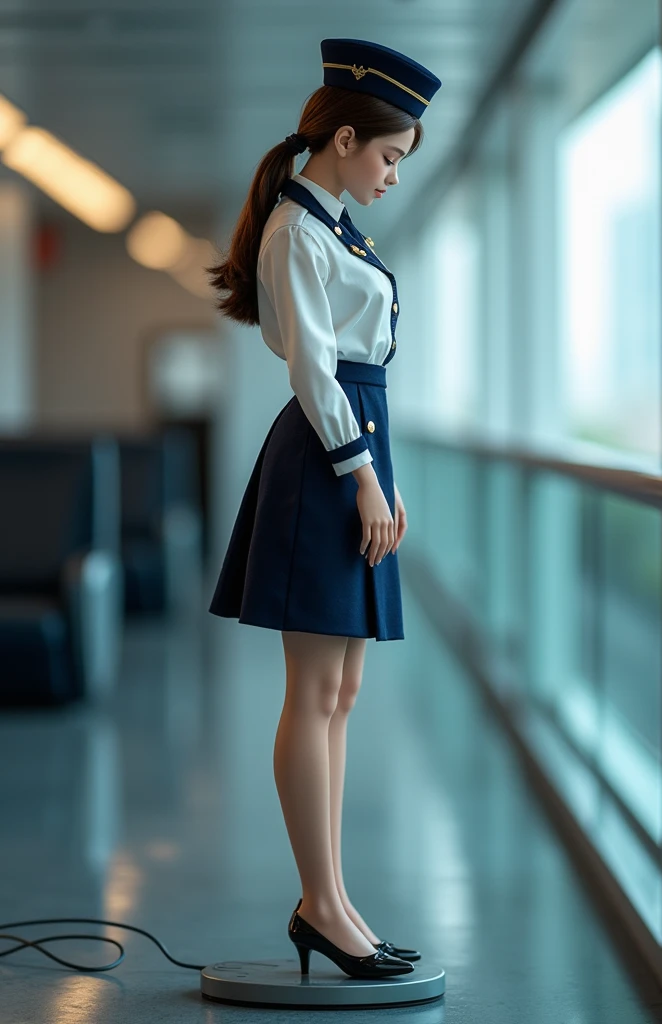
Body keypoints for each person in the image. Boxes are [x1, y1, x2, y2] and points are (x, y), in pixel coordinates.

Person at [206, 37, 441, 980]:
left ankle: (334, 901)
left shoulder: (333, 221)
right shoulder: (299, 230)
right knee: (313, 691)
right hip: (327, 459)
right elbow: (314, 369)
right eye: (389, 156)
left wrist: (379, 472)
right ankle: (320, 905)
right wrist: (367, 476)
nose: (392, 176)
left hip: (350, 454)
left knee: (340, 691)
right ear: (345, 138)